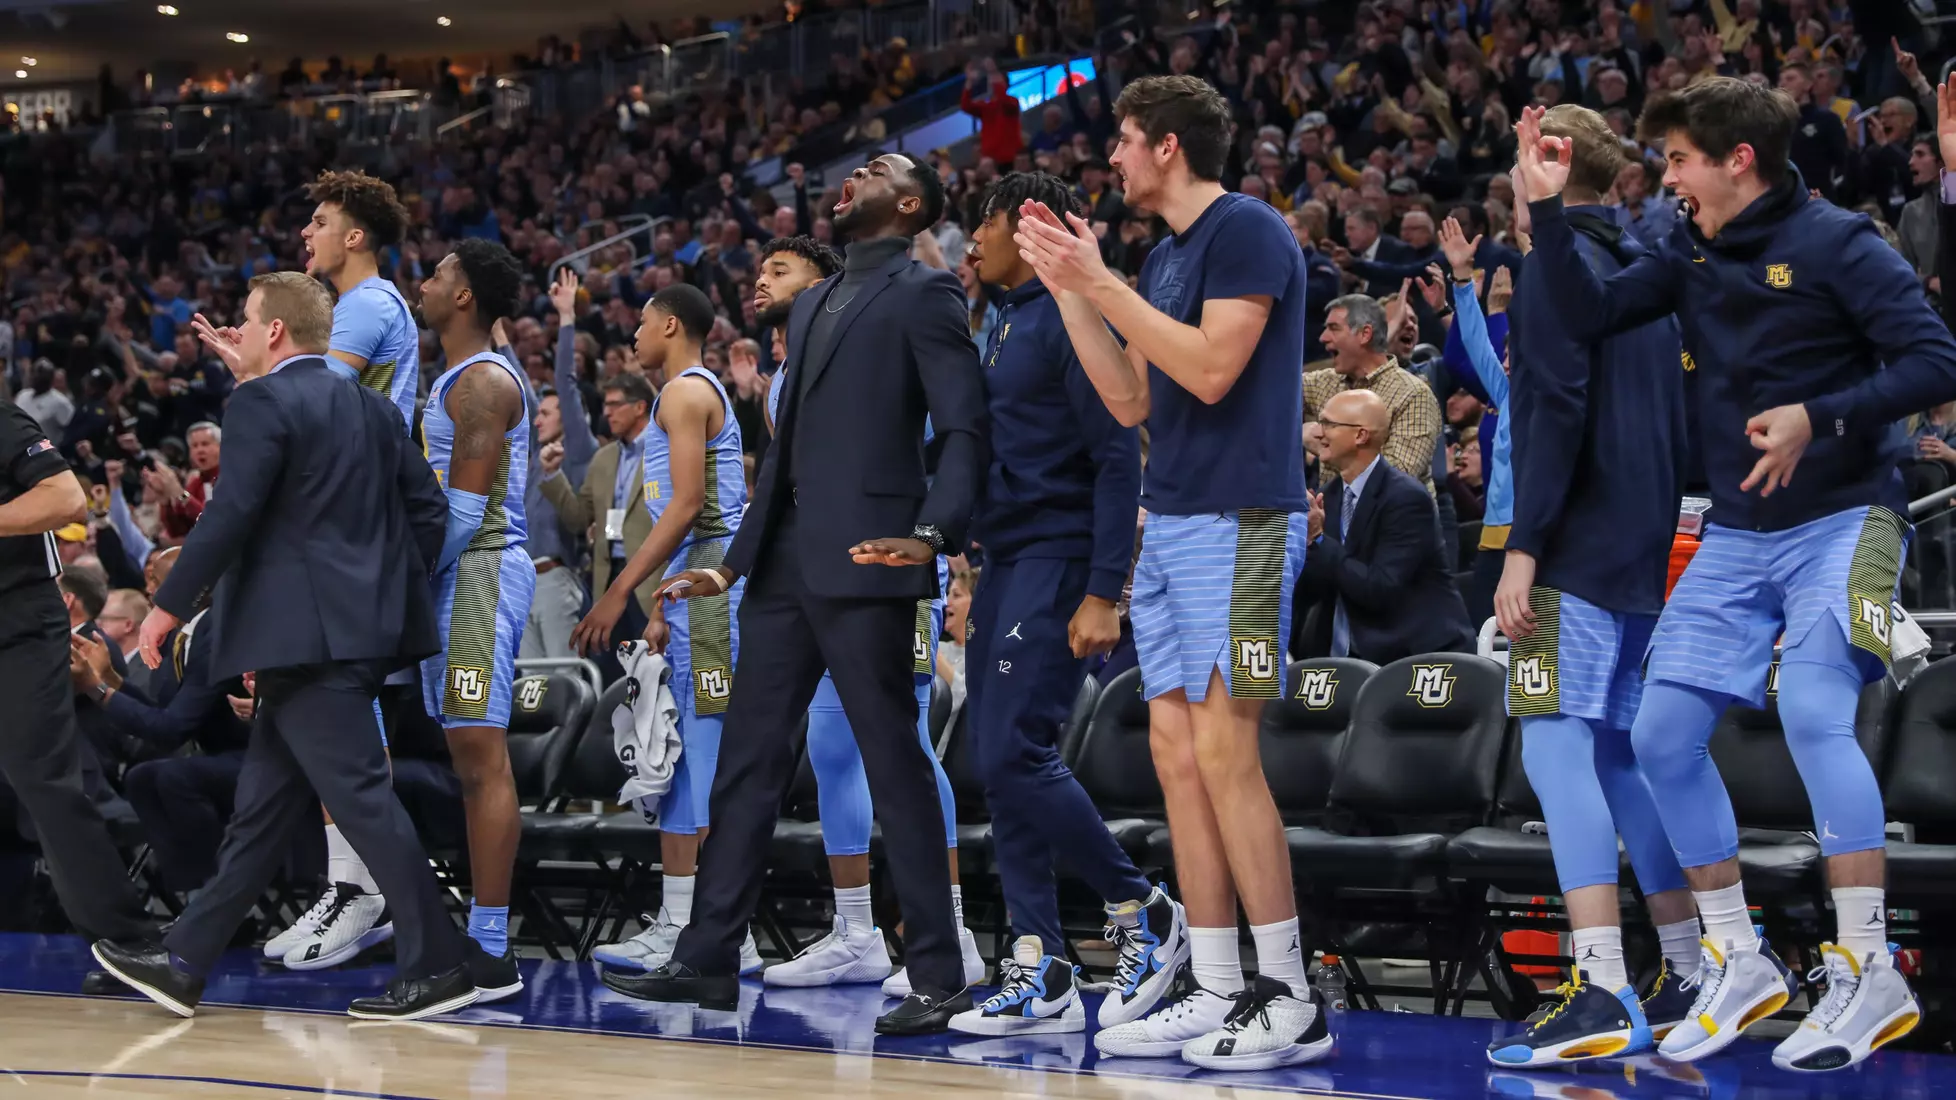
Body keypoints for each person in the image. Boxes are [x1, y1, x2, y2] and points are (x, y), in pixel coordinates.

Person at [1515, 79, 1952, 1071]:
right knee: (1660, 735)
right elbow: (1586, 311)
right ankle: (1737, 957)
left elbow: (1936, 359)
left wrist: (1819, 416)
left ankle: (1868, 967)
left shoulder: (1841, 242)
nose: (1665, 179)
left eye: (1678, 160)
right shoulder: (1688, 247)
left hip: (1849, 514)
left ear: (1736, 160)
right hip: (1739, 530)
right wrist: (1544, 209)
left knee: (1813, 709)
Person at [607, 152, 986, 1037]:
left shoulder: (927, 292)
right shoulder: (812, 305)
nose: (854, 174)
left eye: (877, 168)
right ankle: (707, 956)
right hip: (782, 568)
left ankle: (938, 970)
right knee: (747, 760)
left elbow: (965, 427)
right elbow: (782, 457)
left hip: (871, 558)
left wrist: (933, 534)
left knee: (892, 763)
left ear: (910, 204)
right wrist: (733, 566)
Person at [1015, 74, 1330, 1070]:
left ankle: (1291, 993)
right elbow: (1131, 398)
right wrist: (1074, 293)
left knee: (1228, 755)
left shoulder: (1248, 230)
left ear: (1167, 145)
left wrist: (1100, 282)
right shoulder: (1162, 257)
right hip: (1175, 520)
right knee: (1178, 758)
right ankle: (1219, 981)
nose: (1111, 156)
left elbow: (1210, 369)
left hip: (1245, 522)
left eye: (1123, 138)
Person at [90, 271, 476, 1023]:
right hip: (355, 635)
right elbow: (429, 512)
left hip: (303, 640)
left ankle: (440, 963)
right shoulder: (373, 409)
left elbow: (231, 513)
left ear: (273, 330)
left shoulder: (261, 402)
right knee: (260, 812)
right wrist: (380, 596)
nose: (236, 329)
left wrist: (166, 607)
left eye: (246, 317)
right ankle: (183, 961)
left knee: (363, 801)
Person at [1475, 105, 1702, 1069]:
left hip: (1571, 548)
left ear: (1548, 172)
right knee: (1616, 756)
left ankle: (1601, 982)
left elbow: (1557, 409)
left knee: (1555, 746)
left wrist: (1524, 547)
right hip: (1643, 549)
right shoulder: (1648, 267)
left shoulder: (1552, 272)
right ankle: (1686, 967)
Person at [945, 171, 1188, 1037]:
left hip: (1059, 558)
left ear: (1028, 228)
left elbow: (1119, 459)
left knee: (1016, 751)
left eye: (984, 223)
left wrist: (1103, 590)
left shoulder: (1068, 318)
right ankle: (1040, 963)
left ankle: (1142, 908)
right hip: (1007, 560)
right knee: (998, 759)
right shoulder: (1000, 320)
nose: (972, 241)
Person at [726, 235, 986, 996]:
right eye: (760, 267)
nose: (761, 280)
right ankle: (855, 930)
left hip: (884, 570)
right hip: (812, 577)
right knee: (832, 749)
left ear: (826, 285)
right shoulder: (785, 373)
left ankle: (955, 933)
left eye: (780, 270)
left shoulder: (886, 333)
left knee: (903, 749)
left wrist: (932, 542)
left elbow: (923, 438)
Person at [200, 169, 420, 970]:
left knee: (349, 745)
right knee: (313, 753)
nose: (307, 233)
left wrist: (253, 379)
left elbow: (307, 414)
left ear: (354, 236)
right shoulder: (375, 305)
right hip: (356, 545)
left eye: (320, 221)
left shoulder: (362, 307)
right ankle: (347, 888)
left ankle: (371, 898)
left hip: (343, 554)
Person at [577, 284, 764, 978]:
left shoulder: (685, 394)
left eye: (643, 322)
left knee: (708, 762)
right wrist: (658, 608)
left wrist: (618, 591)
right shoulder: (675, 396)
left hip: (713, 594)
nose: (633, 335)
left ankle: (727, 929)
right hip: (690, 594)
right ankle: (683, 919)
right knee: (683, 762)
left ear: (672, 325)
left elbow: (687, 506)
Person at [0, 393, 161, 982]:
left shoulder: (3, 420)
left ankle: (128, 939)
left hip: (16, 617)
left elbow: (65, 498)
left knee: (43, 780)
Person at [413, 239, 536, 1002]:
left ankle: (491, 949)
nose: (423, 285)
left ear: (464, 297)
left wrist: (400, 575)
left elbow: (462, 513)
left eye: (437, 275)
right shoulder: (458, 378)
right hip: (459, 577)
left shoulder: (484, 382)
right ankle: (477, 935)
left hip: (480, 573)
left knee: (482, 757)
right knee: (466, 758)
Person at [1295, 390, 1474, 664]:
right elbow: (1317, 587)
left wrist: (1318, 538)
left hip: (1414, 657)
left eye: (1328, 424)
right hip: (1342, 656)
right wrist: (1302, 543)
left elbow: (1379, 589)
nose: (1318, 432)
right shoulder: (1329, 496)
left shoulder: (1405, 498)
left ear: (1360, 435)